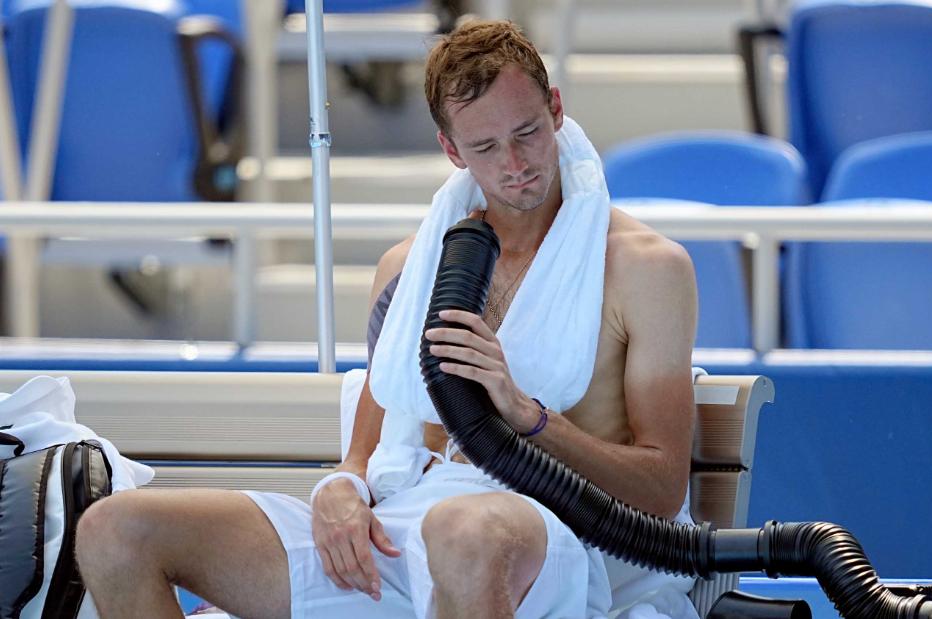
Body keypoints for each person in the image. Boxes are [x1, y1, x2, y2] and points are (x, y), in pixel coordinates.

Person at [74, 20, 700, 619]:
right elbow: (363, 456)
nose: (516, 163)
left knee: (460, 529)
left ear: (557, 110)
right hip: (403, 531)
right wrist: (342, 491)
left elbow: (662, 489)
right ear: (451, 150)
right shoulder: (410, 266)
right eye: (485, 146)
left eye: (529, 132)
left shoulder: (646, 269)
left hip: (554, 540)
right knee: (115, 529)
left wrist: (528, 417)